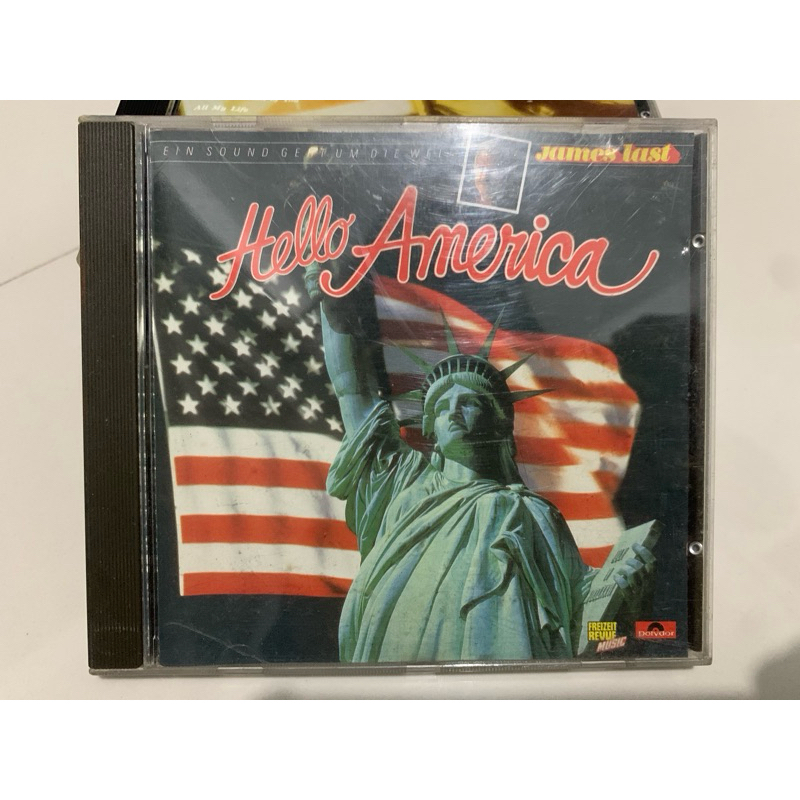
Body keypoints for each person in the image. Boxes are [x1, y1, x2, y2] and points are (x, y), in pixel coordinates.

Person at [306, 266, 651, 663]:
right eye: (441, 407)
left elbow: (583, 632)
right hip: (400, 673)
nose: (453, 411)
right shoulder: (403, 484)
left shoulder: (533, 514)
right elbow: (353, 390)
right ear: (432, 430)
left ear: (499, 425)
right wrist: (333, 305)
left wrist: (625, 602)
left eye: (469, 402)